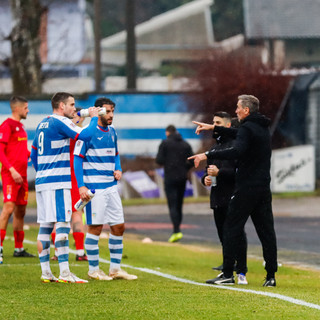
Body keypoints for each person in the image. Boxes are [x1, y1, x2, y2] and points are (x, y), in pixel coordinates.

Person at [189, 95, 278, 287]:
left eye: (238, 108)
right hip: (263, 188)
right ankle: (271, 276)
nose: (235, 110)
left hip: (246, 188)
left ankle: (228, 273)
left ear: (246, 110)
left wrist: (208, 154)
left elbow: (237, 150)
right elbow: (237, 133)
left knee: (231, 228)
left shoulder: (247, 128)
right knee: (266, 232)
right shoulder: (262, 127)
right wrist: (213, 128)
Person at [30, 92, 99, 283]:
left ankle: (46, 272)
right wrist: (93, 118)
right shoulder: (60, 121)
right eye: (72, 104)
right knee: (62, 223)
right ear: (61, 106)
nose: (74, 108)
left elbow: (33, 153)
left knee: (45, 226)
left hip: (42, 181)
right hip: (57, 182)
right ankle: (65, 273)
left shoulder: (43, 123)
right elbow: (84, 135)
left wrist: (41, 171)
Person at [74, 97, 137, 281]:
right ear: (98, 111)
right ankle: (93, 270)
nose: (111, 115)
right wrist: (81, 186)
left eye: (112, 112)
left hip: (111, 188)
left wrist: (118, 168)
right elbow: (77, 159)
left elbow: (115, 153)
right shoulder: (88, 132)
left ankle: (115, 269)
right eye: (107, 112)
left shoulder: (113, 131)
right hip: (95, 189)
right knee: (95, 228)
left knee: (119, 226)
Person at [200, 112, 248, 285]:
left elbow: (239, 174)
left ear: (227, 126)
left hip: (233, 197)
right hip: (217, 198)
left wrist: (220, 173)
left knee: (236, 235)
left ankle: (241, 270)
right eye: (213, 122)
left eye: (217, 122)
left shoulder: (236, 146)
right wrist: (205, 178)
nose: (214, 125)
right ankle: (228, 269)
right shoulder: (214, 148)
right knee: (224, 237)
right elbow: (208, 172)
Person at [0, 96, 35, 264]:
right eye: (26, 108)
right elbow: (1, 151)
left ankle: (19, 248)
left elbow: (22, 151)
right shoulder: (7, 126)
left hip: (23, 176)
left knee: (21, 211)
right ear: (17, 108)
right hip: (11, 175)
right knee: (8, 208)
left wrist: (35, 156)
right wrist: (12, 170)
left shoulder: (21, 127)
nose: (28, 111)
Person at [51, 109, 87, 261]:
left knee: (59, 217)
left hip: (60, 175)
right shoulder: (78, 133)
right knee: (77, 214)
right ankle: (80, 252)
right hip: (74, 177)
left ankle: (58, 252)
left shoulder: (59, 130)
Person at [155, 125, 194, 243]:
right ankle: (178, 228)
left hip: (170, 177)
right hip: (182, 177)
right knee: (179, 204)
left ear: (167, 133)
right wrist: (185, 167)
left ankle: (176, 230)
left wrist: (169, 161)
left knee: (172, 204)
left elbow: (159, 160)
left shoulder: (165, 143)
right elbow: (192, 160)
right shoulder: (185, 144)